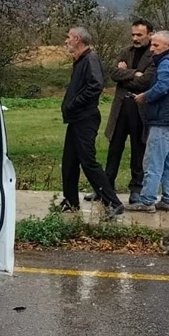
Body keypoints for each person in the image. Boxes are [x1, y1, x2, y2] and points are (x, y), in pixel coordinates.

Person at [90, 18, 155, 203]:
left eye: (139, 35)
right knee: (114, 149)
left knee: (138, 150)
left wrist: (125, 74)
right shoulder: (124, 51)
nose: (135, 38)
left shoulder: (154, 55)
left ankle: (136, 190)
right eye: (133, 34)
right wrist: (134, 73)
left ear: (149, 34)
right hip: (121, 108)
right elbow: (113, 73)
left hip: (139, 109)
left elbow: (147, 81)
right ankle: (105, 189)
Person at [60, 27, 124, 215]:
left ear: (77, 39)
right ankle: (71, 201)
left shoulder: (90, 59)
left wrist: (74, 104)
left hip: (85, 118)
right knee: (69, 161)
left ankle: (113, 202)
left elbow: (96, 85)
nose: (66, 41)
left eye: (68, 38)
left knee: (88, 162)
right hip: (76, 119)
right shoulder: (80, 61)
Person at [127, 31, 169, 213]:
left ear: (167, 46)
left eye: (156, 46)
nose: (152, 49)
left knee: (153, 161)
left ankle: (147, 201)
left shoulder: (165, 63)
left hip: (163, 120)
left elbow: (162, 86)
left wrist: (145, 97)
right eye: (152, 45)